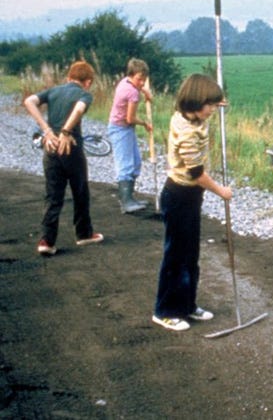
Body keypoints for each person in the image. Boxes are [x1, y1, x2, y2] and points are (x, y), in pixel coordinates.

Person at [152, 74, 232, 331]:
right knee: (175, 256)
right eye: (210, 105)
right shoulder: (186, 131)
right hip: (178, 196)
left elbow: (203, 112)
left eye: (215, 105)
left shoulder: (191, 116)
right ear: (197, 102)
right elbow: (196, 173)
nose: (213, 110)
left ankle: (186, 305)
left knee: (190, 255)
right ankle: (164, 311)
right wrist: (221, 191)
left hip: (190, 196)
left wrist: (216, 102)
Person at [23, 60, 104, 255]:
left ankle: (46, 241)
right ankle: (83, 234)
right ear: (88, 82)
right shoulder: (84, 94)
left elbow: (29, 101)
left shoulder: (53, 91)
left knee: (53, 195)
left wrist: (46, 130)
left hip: (50, 146)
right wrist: (66, 131)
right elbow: (79, 109)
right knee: (80, 191)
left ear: (69, 78)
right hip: (71, 147)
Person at [107, 58, 153, 213]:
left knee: (136, 162)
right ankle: (126, 202)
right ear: (131, 75)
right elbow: (130, 118)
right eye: (139, 79)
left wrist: (145, 91)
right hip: (120, 129)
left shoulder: (125, 82)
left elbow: (136, 86)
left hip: (125, 128)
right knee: (126, 165)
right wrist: (145, 123)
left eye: (144, 79)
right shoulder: (132, 92)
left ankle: (130, 198)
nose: (142, 82)